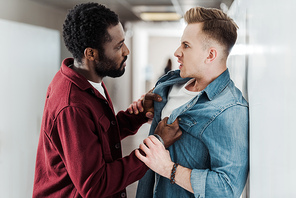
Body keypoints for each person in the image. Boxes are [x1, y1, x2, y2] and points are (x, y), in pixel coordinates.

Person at [32, 3, 182, 198]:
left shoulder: (88, 82)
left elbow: (97, 135)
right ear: (91, 54)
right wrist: (156, 145)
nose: (127, 51)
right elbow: (96, 185)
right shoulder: (72, 105)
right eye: (119, 46)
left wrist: (135, 116)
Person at [135, 6, 249, 198]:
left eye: (186, 45)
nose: (177, 52)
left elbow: (227, 189)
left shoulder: (230, 110)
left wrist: (167, 168)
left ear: (210, 55)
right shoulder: (170, 83)